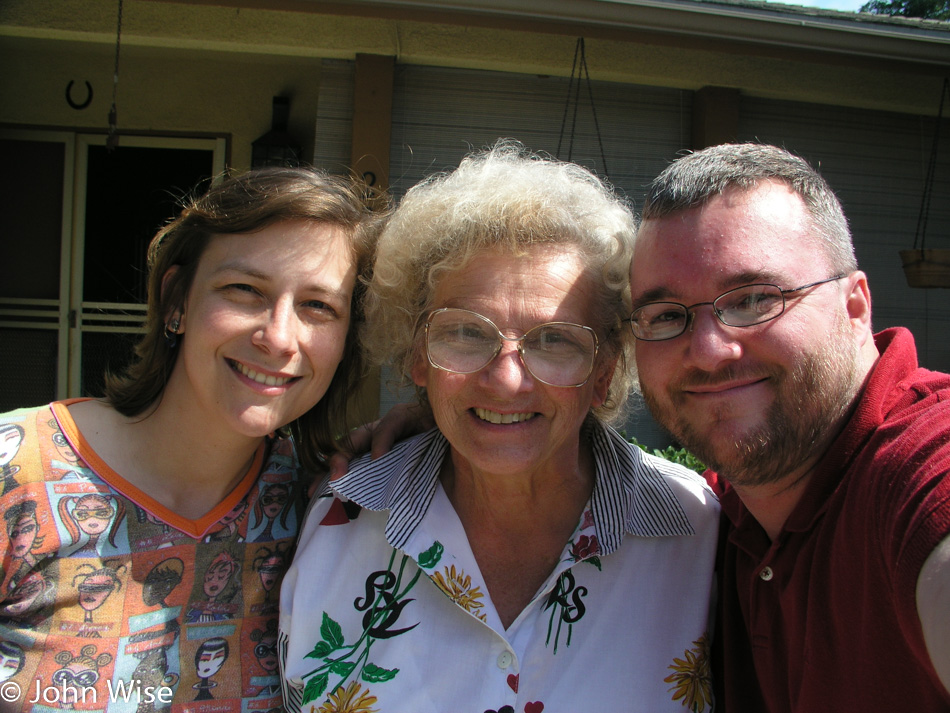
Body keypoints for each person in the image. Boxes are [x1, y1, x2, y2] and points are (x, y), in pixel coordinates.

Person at [278, 142, 720, 712]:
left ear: (605, 371)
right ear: (418, 353)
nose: (507, 381)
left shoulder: (695, 532)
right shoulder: (336, 521)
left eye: (555, 340)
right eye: (465, 332)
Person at [0, 166, 384, 710]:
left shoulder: (320, 509)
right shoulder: (14, 471)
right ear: (177, 299)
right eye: (244, 290)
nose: (278, 337)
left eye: (318, 307)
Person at [628, 143, 950, 712]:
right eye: (666, 316)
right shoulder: (714, 517)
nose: (707, 352)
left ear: (855, 307)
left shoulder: (921, 471)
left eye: (754, 299)